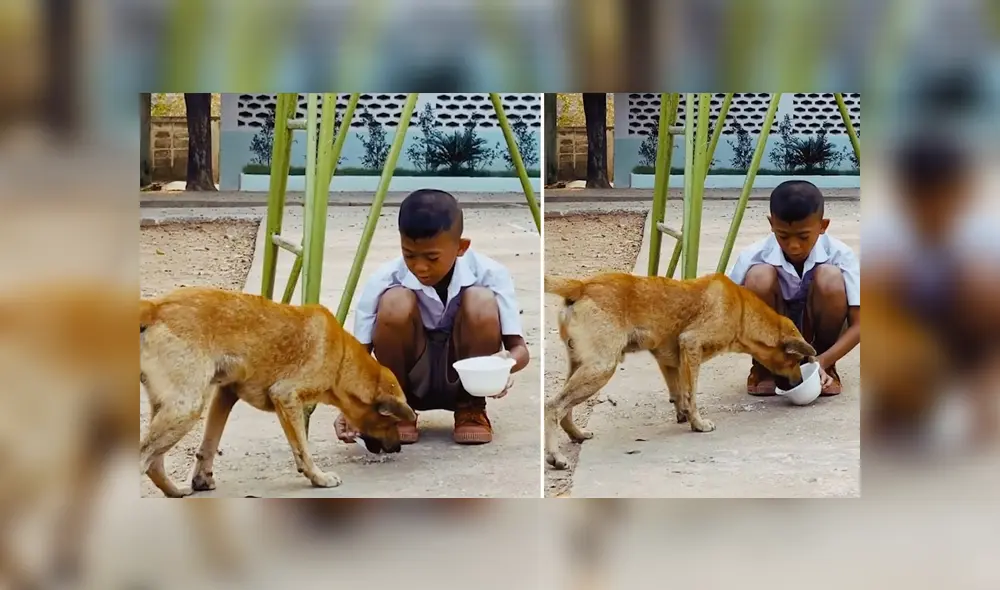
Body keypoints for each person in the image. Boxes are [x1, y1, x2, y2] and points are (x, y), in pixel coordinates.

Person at [335, 189, 530, 445]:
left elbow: (519, 350)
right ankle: (397, 409)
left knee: (481, 300)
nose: (420, 267)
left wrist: (501, 366)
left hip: (467, 379)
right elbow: (359, 357)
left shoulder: (491, 275)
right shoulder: (384, 279)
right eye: (409, 255)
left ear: (461, 247)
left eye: (431, 257)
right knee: (394, 302)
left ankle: (471, 409)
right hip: (408, 377)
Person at [728, 180, 861, 396]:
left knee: (830, 277)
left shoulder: (841, 255)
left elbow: (860, 325)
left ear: (823, 226)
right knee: (758, 277)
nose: (794, 246)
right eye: (783, 236)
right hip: (773, 333)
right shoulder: (753, 256)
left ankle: (825, 367)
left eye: (803, 236)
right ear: (771, 224)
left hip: (819, 330)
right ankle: (764, 368)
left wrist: (822, 360)